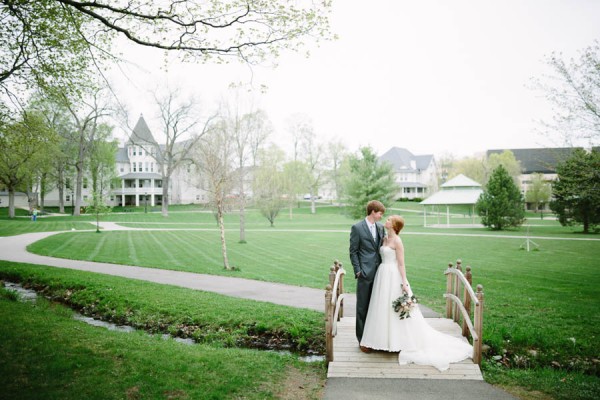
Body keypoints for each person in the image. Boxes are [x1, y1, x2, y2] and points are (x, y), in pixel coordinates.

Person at [360, 215, 473, 371]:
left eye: (389, 220)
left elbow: (401, 263)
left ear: (394, 225)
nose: (385, 221)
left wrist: (404, 282)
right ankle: (381, 341)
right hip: (382, 275)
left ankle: (398, 341)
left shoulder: (398, 241)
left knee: (397, 309)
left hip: (394, 275)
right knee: (381, 306)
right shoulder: (384, 238)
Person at [349, 200, 386, 352]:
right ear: (373, 212)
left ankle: (376, 338)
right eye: (380, 213)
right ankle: (362, 340)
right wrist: (358, 271)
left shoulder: (380, 227)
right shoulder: (357, 228)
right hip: (365, 273)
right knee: (362, 307)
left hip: (380, 273)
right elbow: (353, 251)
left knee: (377, 306)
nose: (381, 216)